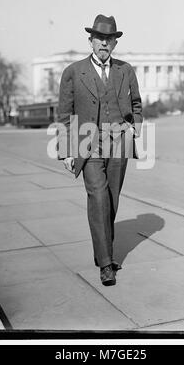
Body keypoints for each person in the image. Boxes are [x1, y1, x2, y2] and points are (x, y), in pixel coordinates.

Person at [57, 14, 143, 286]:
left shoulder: (125, 70)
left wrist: (135, 127)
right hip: (87, 143)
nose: (104, 44)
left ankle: (101, 251)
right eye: (100, 39)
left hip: (119, 141)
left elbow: (137, 105)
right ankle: (106, 264)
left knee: (112, 200)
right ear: (90, 41)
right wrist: (66, 151)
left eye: (110, 39)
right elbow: (64, 114)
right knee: (98, 198)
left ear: (114, 44)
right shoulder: (73, 71)